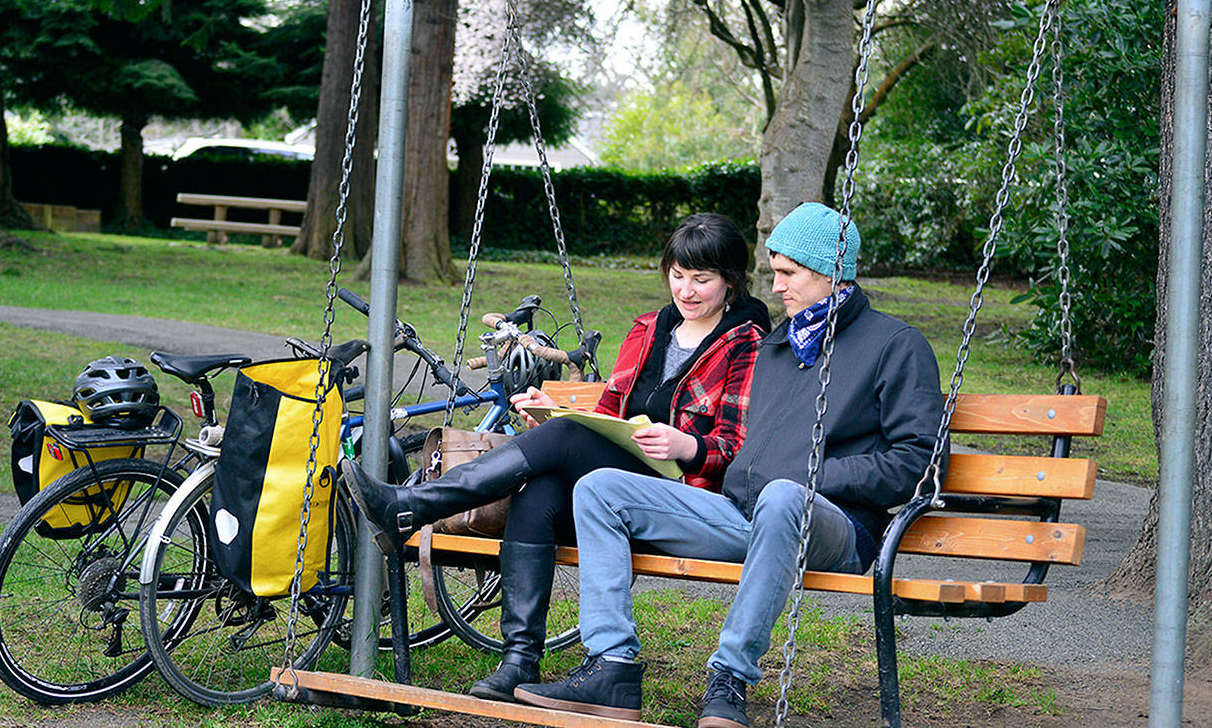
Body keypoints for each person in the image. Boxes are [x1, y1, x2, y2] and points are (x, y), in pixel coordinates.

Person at [513, 202, 945, 727]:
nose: (776, 284)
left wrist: (811, 479)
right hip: (744, 516)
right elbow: (743, 444)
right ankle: (612, 666)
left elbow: (919, 463)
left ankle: (729, 680)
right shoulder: (780, 346)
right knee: (602, 488)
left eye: (787, 272)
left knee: (785, 496)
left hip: (836, 528)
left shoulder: (896, 346)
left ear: (829, 271)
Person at [341, 212, 772, 702]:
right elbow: (609, 412)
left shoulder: (747, 345)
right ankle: (519, 661)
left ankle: (415, 506)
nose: (686, 291)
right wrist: (551, 413)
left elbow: (737, 451)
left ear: (731, 283)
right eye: (677, 276)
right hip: (609, 488)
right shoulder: (651, 329)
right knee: (541, 489)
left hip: (678, 495)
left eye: (702, 279)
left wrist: (687, 446)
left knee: (565, 439)